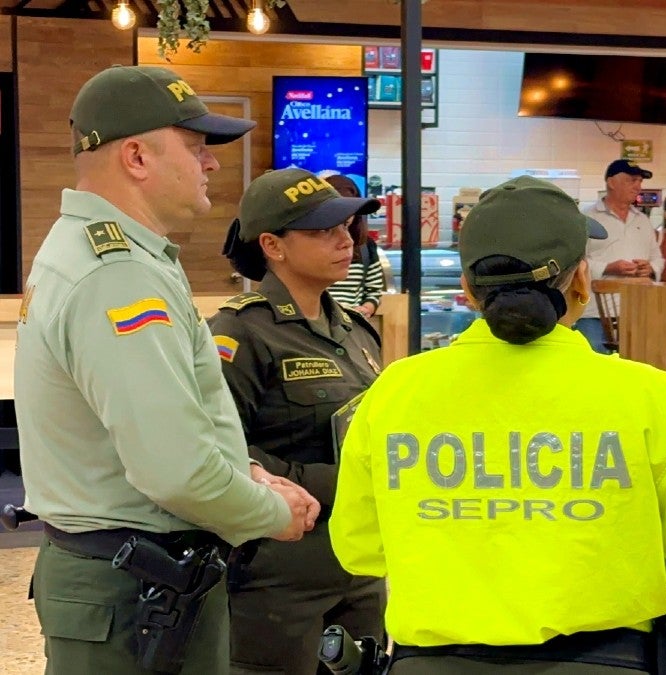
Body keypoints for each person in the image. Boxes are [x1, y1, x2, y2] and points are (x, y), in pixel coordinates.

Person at [328, 176, 666, 674]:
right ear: (581, 280)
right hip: (607, 663)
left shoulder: (393, 392)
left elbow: (359, 549)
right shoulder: (652, 396)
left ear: (469, 290)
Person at [14, 65, 318, 675]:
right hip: (136, 592)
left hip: (136, 583)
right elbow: (175, 469)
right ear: (135, 156)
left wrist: (246, 472)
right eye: (196, 147)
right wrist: (271, 513)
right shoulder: (117, 274)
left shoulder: (107, 252)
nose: (210, 164)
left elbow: (167, 424)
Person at [211, 168, 387, 674]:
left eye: (346, 227)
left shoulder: (356, 332)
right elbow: (222, 449)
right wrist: (337, 481)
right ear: (273, 245)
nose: (344, 239)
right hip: (278, 576)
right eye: (322, 230)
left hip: (357, 565)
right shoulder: (241, 332)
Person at [577, 159, 666, 353]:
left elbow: (658, 258)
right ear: (611, 182)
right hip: (594, 312)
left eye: (640, 181)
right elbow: (575, 263)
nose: (637, 186)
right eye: (631, 180)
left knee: (634, 366)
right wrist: (609, 267)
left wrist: (650, 267)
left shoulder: (642, 220)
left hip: (637, 311)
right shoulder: (587, 218)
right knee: (596, 366)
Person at [325, 173, 386, 317]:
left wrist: (366, 309)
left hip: (350, 326)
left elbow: (374, 290)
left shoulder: (365, 246)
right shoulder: (309, 242)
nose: (347, 243)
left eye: (349, 211)